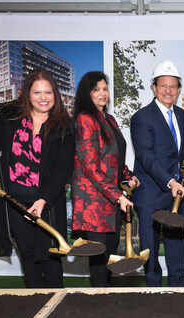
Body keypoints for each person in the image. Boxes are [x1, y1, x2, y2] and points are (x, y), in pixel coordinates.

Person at [0, 69, 75, 288]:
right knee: (28, 255)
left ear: (55, 95)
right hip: (14, 202)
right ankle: (35, 306)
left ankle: (56, 306)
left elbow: (62, 169)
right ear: (27, 94)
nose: (43, 98)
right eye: (37, 92)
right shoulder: (9, 117)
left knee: (51, 255)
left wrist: (42, 201)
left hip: (47, 203)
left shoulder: (64, 126)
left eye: (48, 92)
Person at [130, 61, 184, 287]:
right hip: (150, 194)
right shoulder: (141, 117)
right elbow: (146, 156)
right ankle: (154, 293)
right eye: (163, 86)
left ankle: (178, 292)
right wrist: (170, 181)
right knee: (150, 249)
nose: (168, 91)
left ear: (179, 89)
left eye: (173, 86)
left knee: (176, 248)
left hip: (176, 195)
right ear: (154, 87)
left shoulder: (180, 114)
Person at [71, 71, 138, 287]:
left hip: (111, 201)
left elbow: (114, 160)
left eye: (105, 88)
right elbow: (90, 166)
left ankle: (104, 303)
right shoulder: (85, 119)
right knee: (99, 261)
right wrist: (118, 196)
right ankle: (99, 307)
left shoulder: (110, 119)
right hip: (94, 202)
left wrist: (128, 177)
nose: (103, 93)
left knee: (109, 256)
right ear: (86, 93)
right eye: (96, 89)